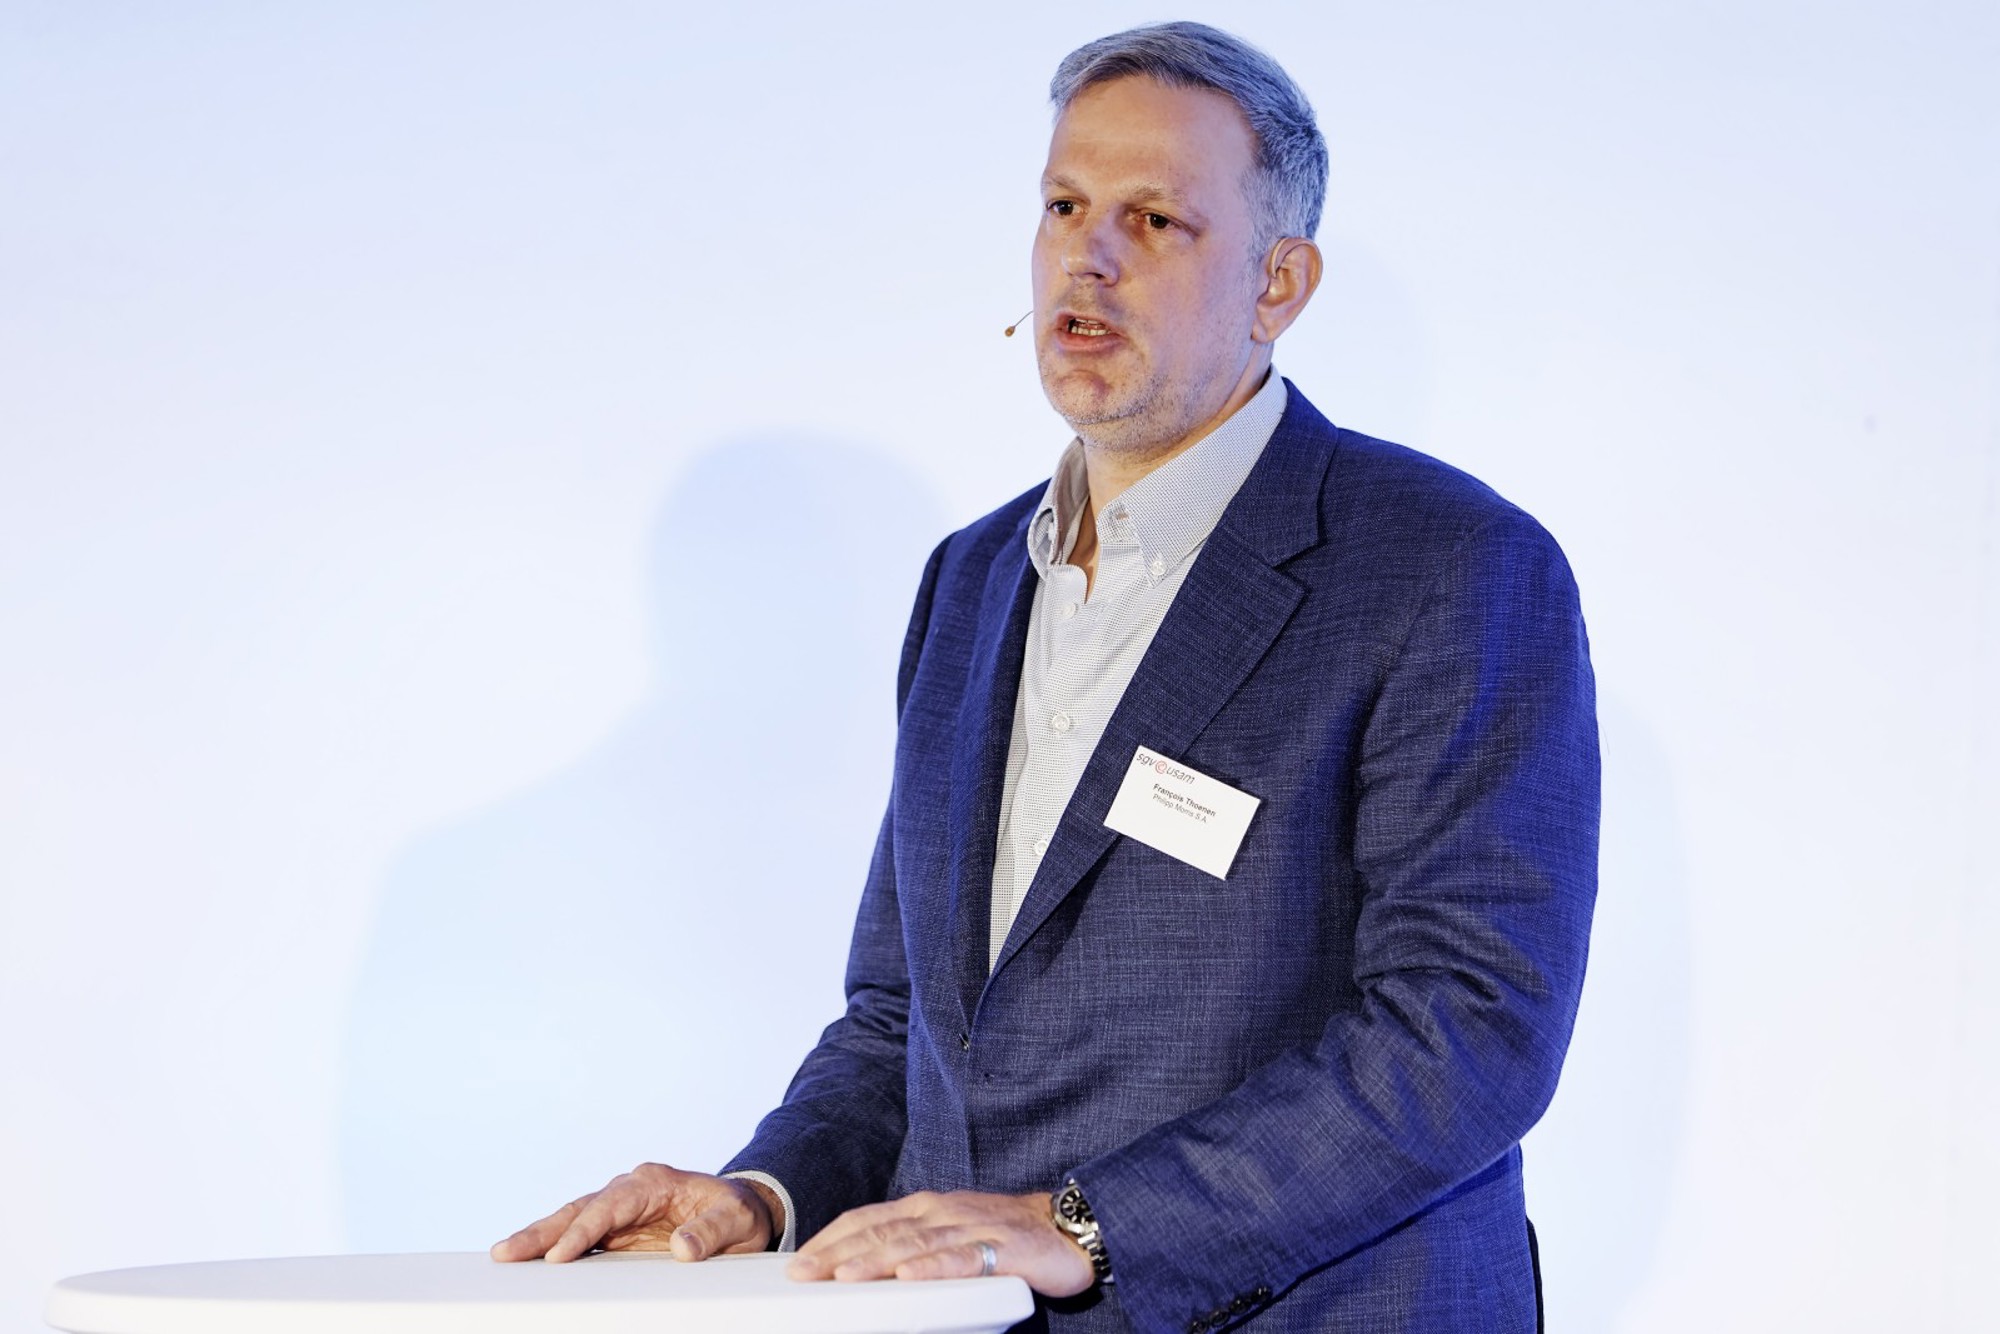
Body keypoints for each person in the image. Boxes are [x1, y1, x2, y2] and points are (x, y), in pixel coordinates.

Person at [493, 21, 1598, 1333]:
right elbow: (906, 1019)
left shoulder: (1449, 565)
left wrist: (1089, 1224)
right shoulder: (971, 584)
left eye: (1155, 220)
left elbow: (1469, 1028)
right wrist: (765, 1192)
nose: (1090, 256)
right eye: (1065, 205)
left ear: (1280, 283)